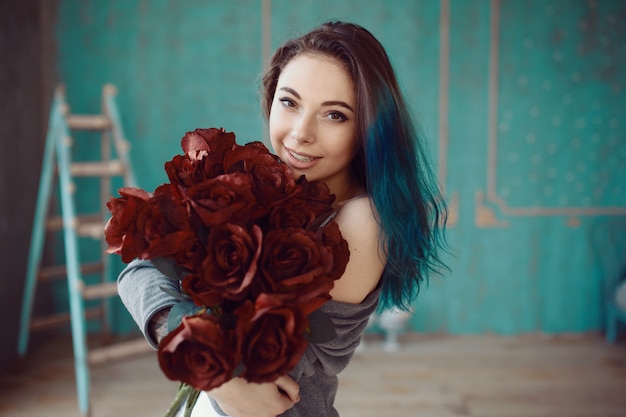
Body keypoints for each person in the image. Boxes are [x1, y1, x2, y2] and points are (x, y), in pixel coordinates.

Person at [117, 20, 447, 417]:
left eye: (335, 115)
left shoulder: (364, 219)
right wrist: (200, 358)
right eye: (289, 103)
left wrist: (188, 333)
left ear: (369, 128)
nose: (300, 133)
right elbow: (137, 268)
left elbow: (269, 378)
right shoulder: (272, 185)